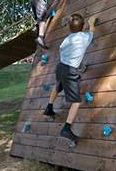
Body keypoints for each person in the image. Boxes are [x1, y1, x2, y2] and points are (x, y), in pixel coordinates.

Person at [42, 13, 97, 143]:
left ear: (69, 29)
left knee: (58, 85)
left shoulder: (66, 39)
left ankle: (49, 107)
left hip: (61, 67)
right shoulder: (85, 37)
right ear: (83, 26)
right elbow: (92, 31)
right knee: (76, 102)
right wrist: (92, 22)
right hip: (70, 71)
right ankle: (67, 128)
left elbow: (66, 52)